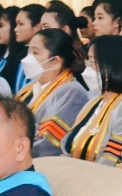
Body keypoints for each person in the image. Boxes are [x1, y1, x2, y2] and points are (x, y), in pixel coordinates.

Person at [59, 35, 122, 167]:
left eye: (93, 63)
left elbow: (112, 158)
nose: (87, 69)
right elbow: (68, 144)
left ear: (113, 64)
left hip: (100, 178)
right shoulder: (95, 101)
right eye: (88, 62)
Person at [18, 28, 90, 157]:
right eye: (29, 52)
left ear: (55, 62)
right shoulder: (30, 88)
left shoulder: (72, 93)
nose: (28, 59)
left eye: (35, 52)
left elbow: (48, 145)